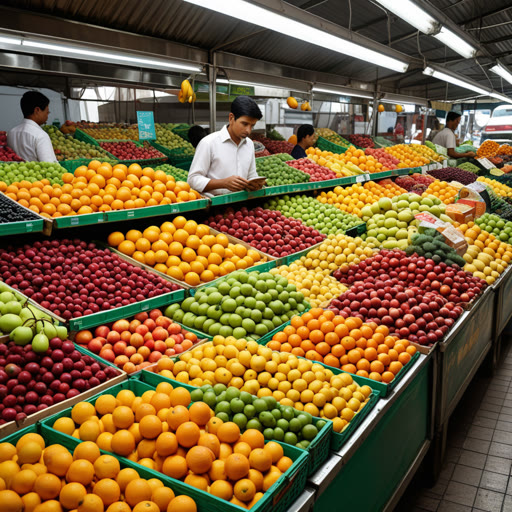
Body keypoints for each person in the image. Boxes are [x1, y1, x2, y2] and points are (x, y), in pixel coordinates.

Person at [187, 96, 265, 196]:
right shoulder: (209, 143)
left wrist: (255, 184)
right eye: (244, 124)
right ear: (231, 118)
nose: (248, 130)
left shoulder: (249, 144)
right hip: (215, 206)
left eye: (252, 126)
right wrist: (223, 183)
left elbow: (251, 175)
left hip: (242, 207)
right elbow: (193, 179)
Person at [7, 91, 58, 162]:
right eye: (47, 112)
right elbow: (50, 165)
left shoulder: (11, 133)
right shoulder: (40, 135)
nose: (47, 116)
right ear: (37, 110)